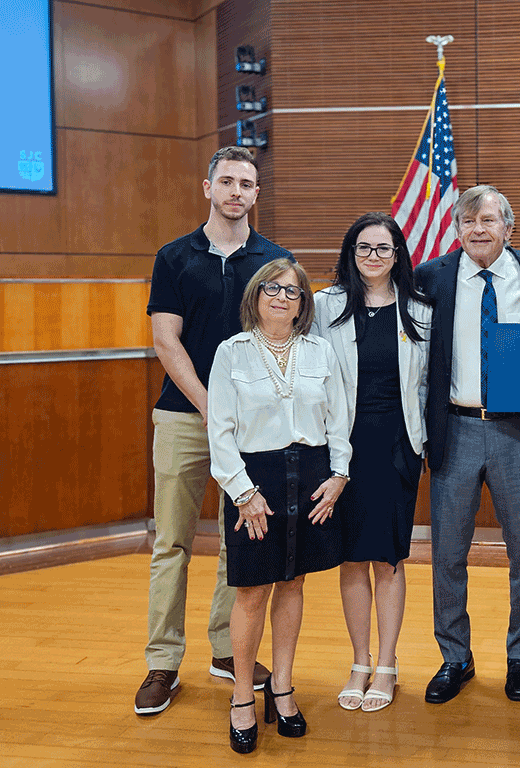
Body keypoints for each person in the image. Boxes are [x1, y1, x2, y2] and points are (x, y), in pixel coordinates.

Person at [138, 146, 290, 716]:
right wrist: (210, 406)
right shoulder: (174, 257)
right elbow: (165, 340)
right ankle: (162, 662)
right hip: (184, 415)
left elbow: (285, 340)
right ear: (207, 188)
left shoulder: (275, 261)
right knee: (171, 541)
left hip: (254, 427)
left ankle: (228, 651)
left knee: (241, 540)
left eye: (246, 183)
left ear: (256, 194)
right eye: (226, 181)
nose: (236, 191)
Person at [415, 184, 520, 704]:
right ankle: (455, 656)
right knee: (448, 552)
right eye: (469, 220)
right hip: (454, 429)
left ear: (509, 228)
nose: (479, 229)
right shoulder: (430, 277)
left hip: (517, 430)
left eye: (489, 220)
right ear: (456, 228)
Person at [208, 259, 351, 753]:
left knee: (293, 583)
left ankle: (283, 688)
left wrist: (338, 476)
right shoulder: (232, 353)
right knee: (251, 591)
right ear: (255, 295)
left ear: (303, 304)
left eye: (291, 292)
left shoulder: (320, 351)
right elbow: (220, 432)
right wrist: (243, 493)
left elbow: (339, 420)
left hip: (312, 478)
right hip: (255, 482)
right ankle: (244, 698)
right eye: (271, 288)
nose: (280, 297)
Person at [311, 212, 432, 713]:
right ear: (350, 253)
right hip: (343, 447)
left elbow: (427, 384)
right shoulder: (325, 305)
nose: (374, 258)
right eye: (364, 248)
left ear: (398, 255)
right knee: (352, 556)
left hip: (398, 447)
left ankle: (387, 663)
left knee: (389, 556)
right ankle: (359, 661)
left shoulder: (421, 309)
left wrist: (421, 444)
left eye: (383, 249)